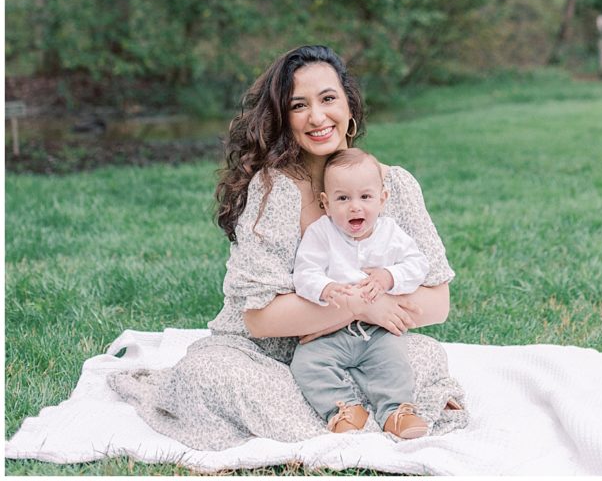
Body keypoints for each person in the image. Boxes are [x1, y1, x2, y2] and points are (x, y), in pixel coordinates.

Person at [108, 45, 467, 450]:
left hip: (365, 345)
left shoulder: (393, 186)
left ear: (349, 105)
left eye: (328, 99)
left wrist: (363, 310)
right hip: (264, 355)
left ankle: (349, 417)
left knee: (423, 357)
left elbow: (437, 302)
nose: (317, 117)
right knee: (206, 374)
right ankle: (371, 418)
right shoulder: (272, 191)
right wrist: (363, 305)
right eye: (299, 105)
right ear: (283, 118)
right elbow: (262, 320)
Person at [291, 147, 432, 439]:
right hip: (330, 330)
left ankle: (396, 411)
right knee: (306, 363)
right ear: (326, 204)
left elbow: (419, 265)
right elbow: (304, 273)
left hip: (377, 329)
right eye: (343, 198)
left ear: (382, 200)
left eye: (365, 197)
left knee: (395, 363)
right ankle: (343, 408)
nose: (355, 207)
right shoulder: (321, 233)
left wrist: (389, 276)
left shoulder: (391, 233)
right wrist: (325, 288)